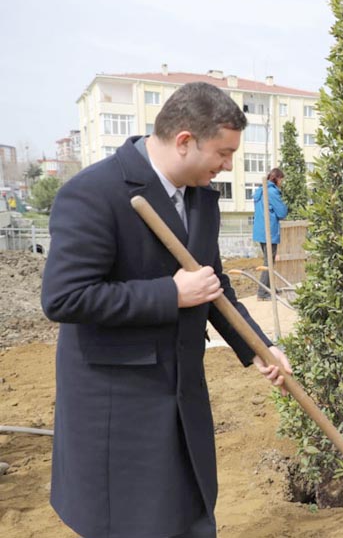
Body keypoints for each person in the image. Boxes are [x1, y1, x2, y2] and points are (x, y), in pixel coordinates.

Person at [41, 82, 292, 538]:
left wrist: (259, 347)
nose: (229, 165)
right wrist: (169, 294)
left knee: (191, 515)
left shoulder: (200, 199)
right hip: (120, 404)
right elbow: (64, 297)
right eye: (223, 152)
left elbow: (212, 287)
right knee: (134, 524)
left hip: (182, 394)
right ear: (184, 142)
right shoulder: (94, 193)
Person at [252, 167, 289, 300]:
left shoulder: (261, 190)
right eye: (281, 180)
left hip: (260, 231)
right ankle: (262, 293)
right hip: (269, 231)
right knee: (269, 263)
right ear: (277, 178)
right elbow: (282, 212)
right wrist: (285, 207)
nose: (282, 183)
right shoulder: (272, 192)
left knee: (268, 261)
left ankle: (270, 288)